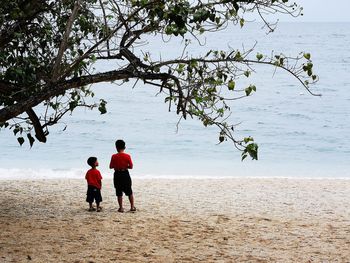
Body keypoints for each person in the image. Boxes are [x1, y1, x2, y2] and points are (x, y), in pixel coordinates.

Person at [109, 139, 136, 213]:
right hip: (125, 174)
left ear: (116, 147)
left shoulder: (114, 156)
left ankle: (121, 208)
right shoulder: (127, 156)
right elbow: (131, 166)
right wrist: (125, 166)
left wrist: (117, 165)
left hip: (117, 174)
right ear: (124, 147)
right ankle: (132, 206)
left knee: (119, 191)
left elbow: (111, 166)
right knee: (129, 191)